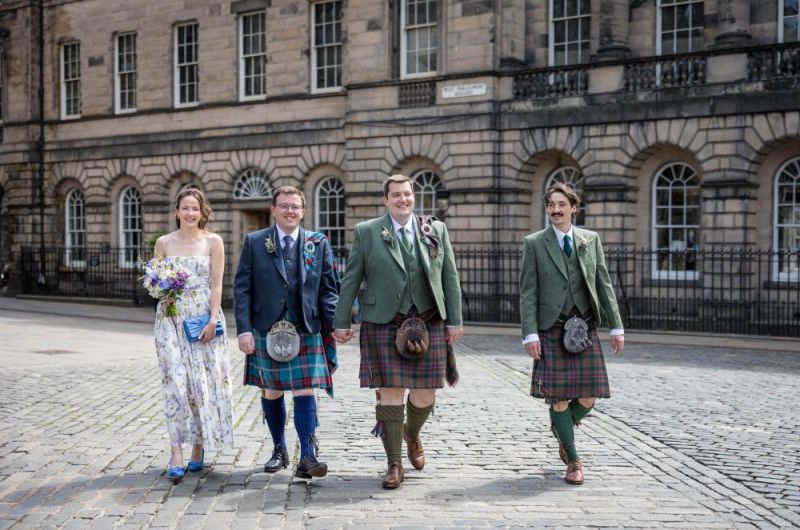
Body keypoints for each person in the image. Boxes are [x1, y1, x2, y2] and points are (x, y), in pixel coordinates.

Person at [333, 174, 463, 490]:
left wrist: (454, 320)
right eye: (396, 195)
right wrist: (341, 321)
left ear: (413, 197)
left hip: (428, 320)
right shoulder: (368, 232)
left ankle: (411, 434)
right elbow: (352, 278)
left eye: (407, 194)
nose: (402, 200)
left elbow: (450, 277)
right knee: (390, 393)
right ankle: (394, 464)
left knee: (424, 395)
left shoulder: (435, 230)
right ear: (386, 199)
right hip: (382, 321)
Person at [519, 182, 624, 486]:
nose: (555, 210)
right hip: (551, 327)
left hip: (585, 327)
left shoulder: (590, 240)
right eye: (551, 205)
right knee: (559, 398)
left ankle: (562, 424)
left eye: (561, 204)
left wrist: (615, 325)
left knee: (590, 396)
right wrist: (530, 334)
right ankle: (573, 459)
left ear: (574, 208)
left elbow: (603, 283)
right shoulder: (535, 243)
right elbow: (528, 292)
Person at [233, 186, 339, 480]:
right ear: (274, 209)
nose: (290, 211)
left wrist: (336, 324)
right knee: (273, 389)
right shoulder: (255, 242)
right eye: (284, 206)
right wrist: (243, 330)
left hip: (305, 325)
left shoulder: (317, 243)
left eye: (295, 206)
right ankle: (279, 448)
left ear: (303, 211)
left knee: (305, 388)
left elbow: (329, 290)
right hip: (266, 327)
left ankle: (307, 454)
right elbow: (242, 288)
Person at [153, 188, 234, 482]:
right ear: (176, 211)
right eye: (185, 208)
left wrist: (212, 319)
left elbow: (216, 284)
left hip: (203, 316)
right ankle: (176, 451)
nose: (190, 213)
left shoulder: (213, 241)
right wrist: (163, 290)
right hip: (171, 318)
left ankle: (198, 447)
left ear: (202, 212)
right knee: (174, 381)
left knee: (201, 382)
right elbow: (158, 282)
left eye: (195, 209)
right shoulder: (163, 243)